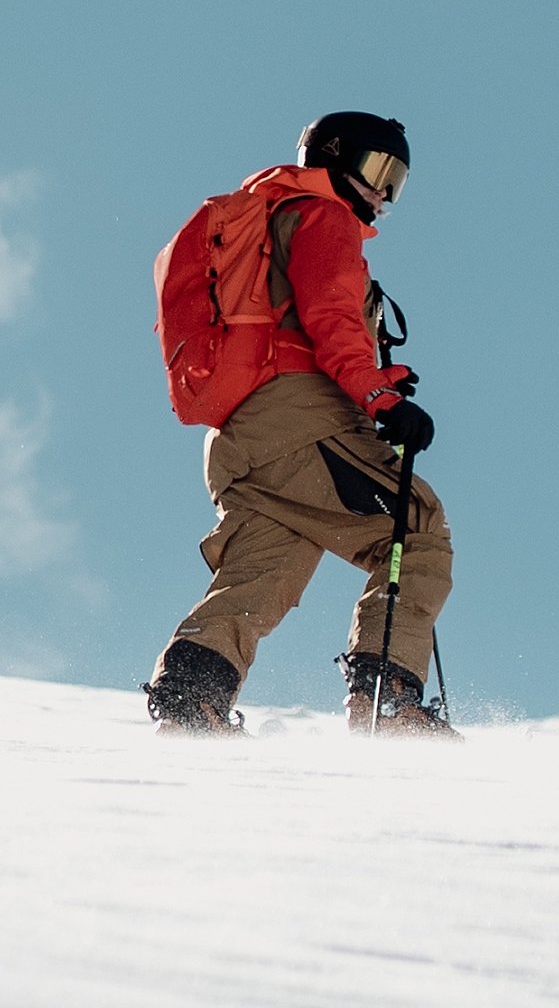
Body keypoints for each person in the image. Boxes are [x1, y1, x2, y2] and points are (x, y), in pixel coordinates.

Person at [144, 112, 453, 737]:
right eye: (375, 169)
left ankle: (191, 701)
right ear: (333, 157)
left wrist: (378, 380)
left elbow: (292, 324)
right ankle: (387, 702)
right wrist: (379, 399)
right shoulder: (323, 216)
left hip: (242, 440)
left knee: (265, 572)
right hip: (301, 424)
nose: (383, 192)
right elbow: (329, 317)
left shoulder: (272, 218)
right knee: (416, 528)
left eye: (395, 179)